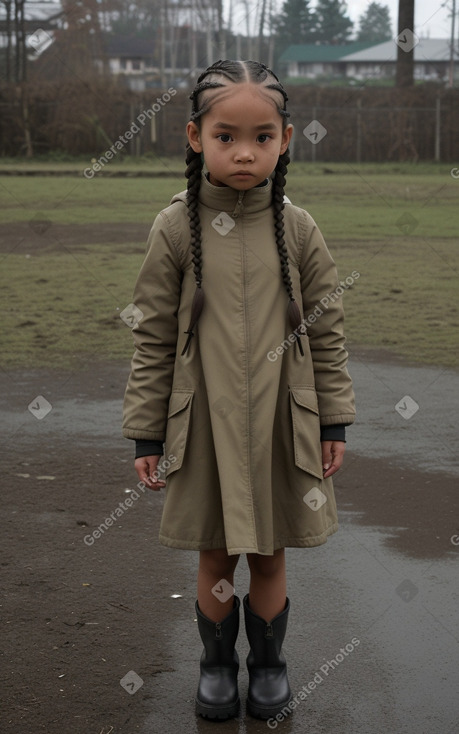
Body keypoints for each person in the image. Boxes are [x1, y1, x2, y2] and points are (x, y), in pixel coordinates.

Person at [122, 59, 355, 722]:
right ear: (195, 137)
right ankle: (218, 666)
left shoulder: (299, 228)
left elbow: (328, 333)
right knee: (217, 550)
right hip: (202, 431)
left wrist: (331, 421)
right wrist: (147, 431)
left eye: (261, 136)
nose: (244, 151)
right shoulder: (173, 229)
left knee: (272, 548)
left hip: (285, 425)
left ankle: (271, 667)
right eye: (226, 136)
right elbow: (152, 337)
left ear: (284, 139)